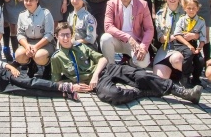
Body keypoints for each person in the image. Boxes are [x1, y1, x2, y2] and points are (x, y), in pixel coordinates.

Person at [51, 22, 203, 105]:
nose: (66, 38)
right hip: (95, 84)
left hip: (105, 71)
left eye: (68, 35)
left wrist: (95, 75)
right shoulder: (56, 58)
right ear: (57, 37)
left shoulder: (80, 46)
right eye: (62, 35)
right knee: (112, 95)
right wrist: (72, 86)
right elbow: (56, 81)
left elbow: (102, 59)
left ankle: (184, 93)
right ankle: (142, 93)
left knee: (141, 75)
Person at [0, 44, 78, 100]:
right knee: (27, 92)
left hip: (5, 75)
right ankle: (62, 94)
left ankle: (60, 86)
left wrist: (12, 68)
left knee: (29, 83)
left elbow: (2, 64)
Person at [100, 0, 154, 68]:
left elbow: (149, 28)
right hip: (117, 40)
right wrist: (128, 38)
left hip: (135, 42)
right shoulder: (111, 3)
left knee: (143, 63)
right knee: (105, 38)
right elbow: (108, 26)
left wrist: (143, 47)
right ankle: (111, 66)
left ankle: (129, 64)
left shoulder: (143, 5)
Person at [15, 0, 55, 78]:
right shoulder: (22, 15)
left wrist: (36, 47)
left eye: (31, 0)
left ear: (37, 0)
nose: (28, 2)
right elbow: (20, 34)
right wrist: (27, 46)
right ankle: (31, 65)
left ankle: (48, 67)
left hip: (44, 43)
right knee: (19, 55)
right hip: (28, 42)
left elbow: (49, 34)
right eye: (26, 0)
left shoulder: (45, 13)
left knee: (40, 56)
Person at [174, 0, 206, 87]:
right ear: (185, 8)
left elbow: (203, 38)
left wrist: (199, 48)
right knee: (189, 54)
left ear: (197, 9)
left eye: (193, 8)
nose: (191, 10)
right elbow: (177, 34)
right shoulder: (182, 19)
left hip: (193, 44)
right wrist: (188, 45)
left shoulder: (201, 21)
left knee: (200, 59)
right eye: (189, 8)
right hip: (181, 43)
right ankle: (184, 77)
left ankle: (196, 78)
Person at [153, 0, 184, 79]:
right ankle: (173, 72)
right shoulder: (160, 15)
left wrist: (174, 37)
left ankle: (183, 75)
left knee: (177, 59)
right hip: (166, 49)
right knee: (159, 79)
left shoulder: (186, 12)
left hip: (182, 48)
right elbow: (161, 38)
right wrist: (174, 36)